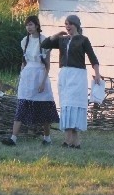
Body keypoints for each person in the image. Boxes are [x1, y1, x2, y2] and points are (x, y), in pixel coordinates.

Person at [40, 15, 100, 149]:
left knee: (75, 106)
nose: (67, 26)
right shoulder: (63, 40)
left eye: (70, 24)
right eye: (66, 24)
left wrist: (97, 74)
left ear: (76, 25)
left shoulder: (83, 40)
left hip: (78, 75)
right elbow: (44, 45)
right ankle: (73, 141)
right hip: (65, 75)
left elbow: (93, 59)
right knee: (66, 105)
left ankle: (71, 140)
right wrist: (56, 35)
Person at [1, 15, 59, 146]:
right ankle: (13, 138)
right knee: (22, 105)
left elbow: (47, 65)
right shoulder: (24, 41)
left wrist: (43, 82)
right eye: (27, 25)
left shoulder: (45, 41)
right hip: (27, 76)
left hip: (40, 75)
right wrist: (21, 75)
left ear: (37, 25)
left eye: (31, 24)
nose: (29, 27)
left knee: (43, 107)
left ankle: (47, 138)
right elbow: (24, 61)